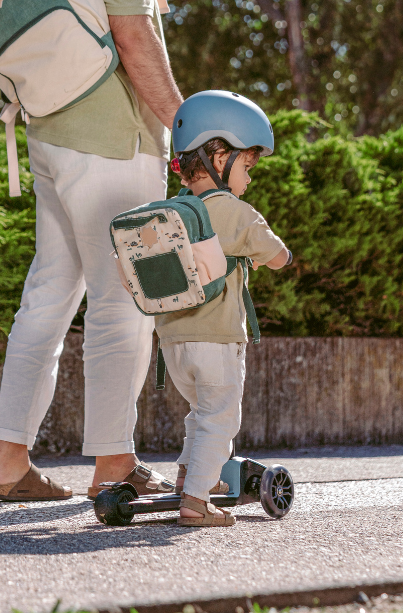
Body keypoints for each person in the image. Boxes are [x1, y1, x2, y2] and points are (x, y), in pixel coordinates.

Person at [0, 0, 209, 502]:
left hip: (50, 137)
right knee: (123, 303)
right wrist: (189, 130)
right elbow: (136, 44)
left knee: (48, 298)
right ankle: (114, 465)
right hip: (112, 145)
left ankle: (8, 463)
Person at [157, 91, 291, 526]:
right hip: (216, 339)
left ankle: (188, 477)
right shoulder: (235, 212)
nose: (249, 179)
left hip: (172, 344)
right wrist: (272, 256)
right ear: (219, 158)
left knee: (201, 413)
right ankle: (196, 501)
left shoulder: (172, 210)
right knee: (222, 417)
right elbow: (278, 256)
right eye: (247, 167)